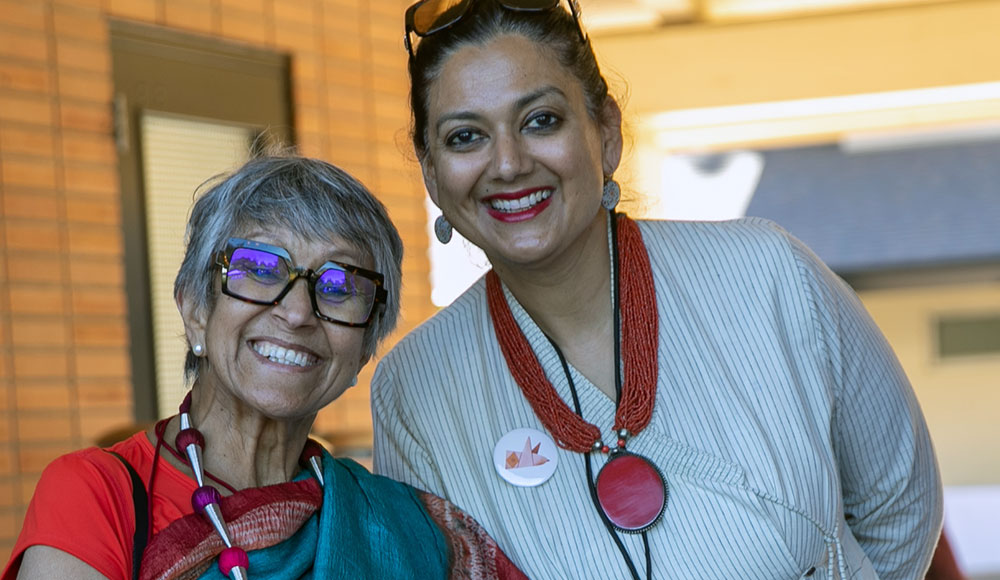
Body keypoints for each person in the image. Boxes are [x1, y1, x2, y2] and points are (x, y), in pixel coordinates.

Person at [371, 1, 943, 579]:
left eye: (541, 120)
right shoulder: (415, 390)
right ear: (433, 176)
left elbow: (900, 508)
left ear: (608, 134)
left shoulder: (770, 274)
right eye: (465, 137)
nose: (509, 163)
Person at [3, 153, 526, 580]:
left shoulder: (400, 525)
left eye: (340, 285)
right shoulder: (96, 494)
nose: (297, 312)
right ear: (194, 309)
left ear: (364, 349)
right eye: (258, 268)